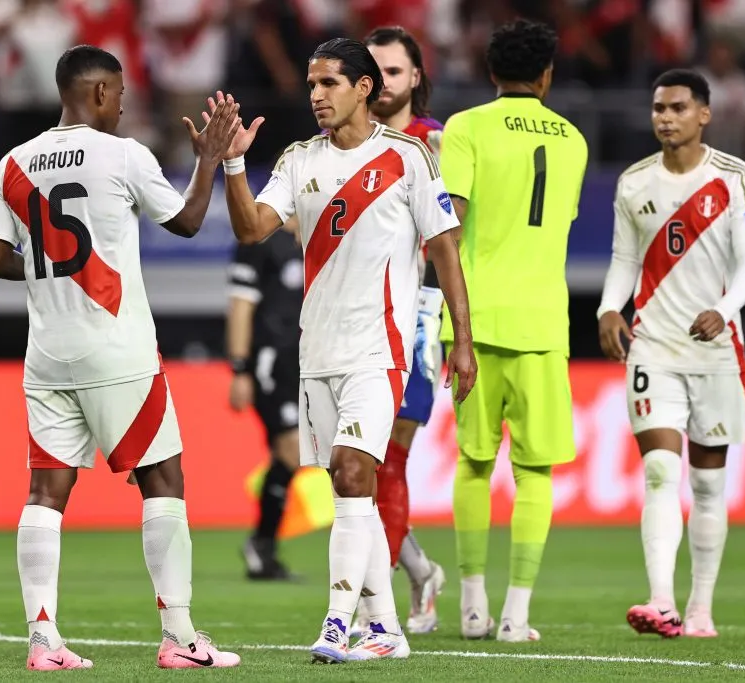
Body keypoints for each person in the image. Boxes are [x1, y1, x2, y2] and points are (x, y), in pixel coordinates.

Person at [213, 37, 477, 663]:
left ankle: (337, 621)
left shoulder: (410, 157)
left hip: (380, 347)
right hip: (318, 350)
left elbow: (445, 250)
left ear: (364, 88)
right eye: (310, 84)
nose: (316, 95)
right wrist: (230, 166)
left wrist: (460, 341)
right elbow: (253, 229)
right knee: (344, 486)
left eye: (329, 83)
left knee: (358, 472)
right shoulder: (298, 160)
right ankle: (385, 628)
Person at [0, 45, 242, 670]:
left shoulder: (14, 162)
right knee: (163, 479)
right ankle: (179, 639)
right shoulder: (124, 155)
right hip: (118, 350)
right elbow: (186, 221)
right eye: (120, 93)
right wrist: (207, 160)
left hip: (47, 353)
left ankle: (43, 641)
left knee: (45, 491)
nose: (124, 105)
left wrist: (51, 272)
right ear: (97, 92)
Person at [598, 68, 745, 639]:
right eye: (657, 109)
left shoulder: (735, 178)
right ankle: (662, 601)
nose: (664, 118)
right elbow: (624, 259)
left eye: (676, 108)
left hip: (717, 349)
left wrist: (726, 307)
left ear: (704, 114)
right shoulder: (634, 182)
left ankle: (700, 608)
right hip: (653, 348)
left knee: (708, 485)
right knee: (659, 470)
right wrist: (608, 308)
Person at [438, 19, 589, 642]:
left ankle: (471, 607)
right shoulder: (575, 140)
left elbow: (451, 226)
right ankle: (516, 616)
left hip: (473, 319)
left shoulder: (466, 127)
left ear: (490, 71)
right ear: (547, 75)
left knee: (474, 463)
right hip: (543, 323)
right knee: (535, 474)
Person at [347, 25, 448, 638]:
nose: (384, 81)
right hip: (349, 313)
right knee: (353, 462)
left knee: (387, 459)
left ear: (415, 79)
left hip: (413, 312)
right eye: (374, 71)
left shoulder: (433, 142)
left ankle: (370, 608)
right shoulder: (343, 142)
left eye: (394, 71)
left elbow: (447, 235)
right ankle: (419, 570)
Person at [226, 216, 303, 580]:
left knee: (290, 456)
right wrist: (240, 368)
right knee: (292, 449)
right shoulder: (259, 238)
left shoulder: (320, 234)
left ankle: (263, 546)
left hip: (310, 362)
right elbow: (241, 306)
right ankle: (262, 543)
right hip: (271, 362)